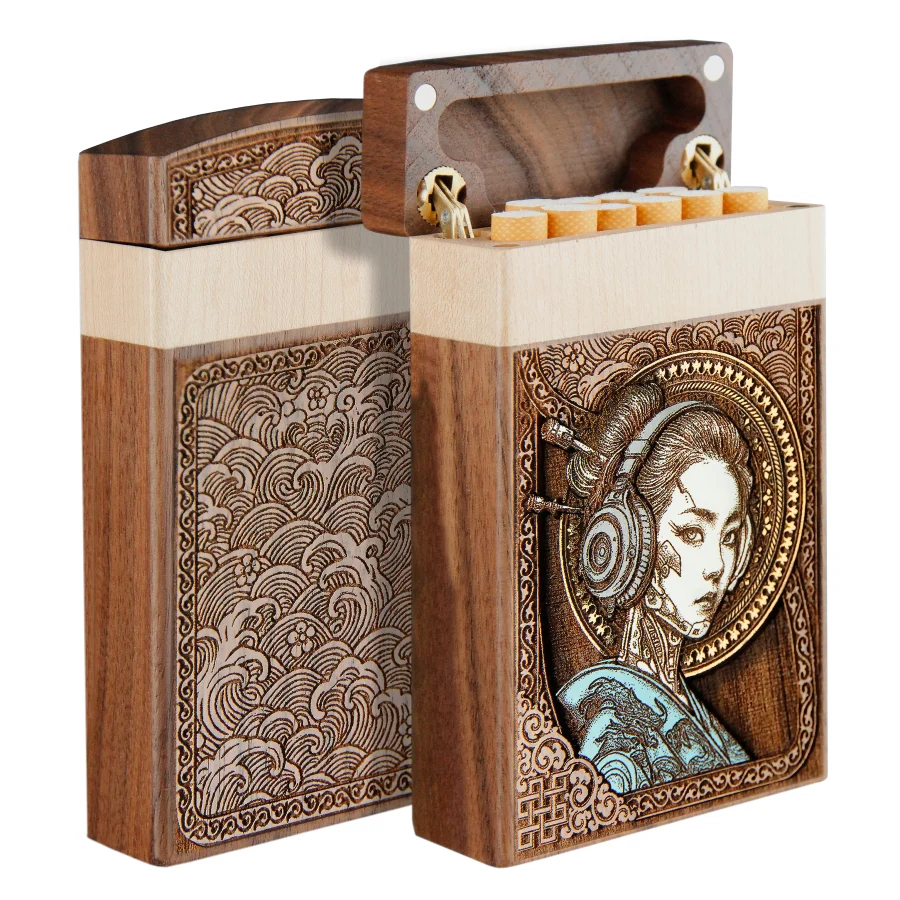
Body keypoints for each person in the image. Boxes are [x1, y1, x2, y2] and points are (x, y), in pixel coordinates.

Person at [557, 383, 753, 793]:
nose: (717, 566)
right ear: (632, 540)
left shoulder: (689, 708)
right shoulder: (615, 745)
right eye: (692, 533)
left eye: (730, 537)